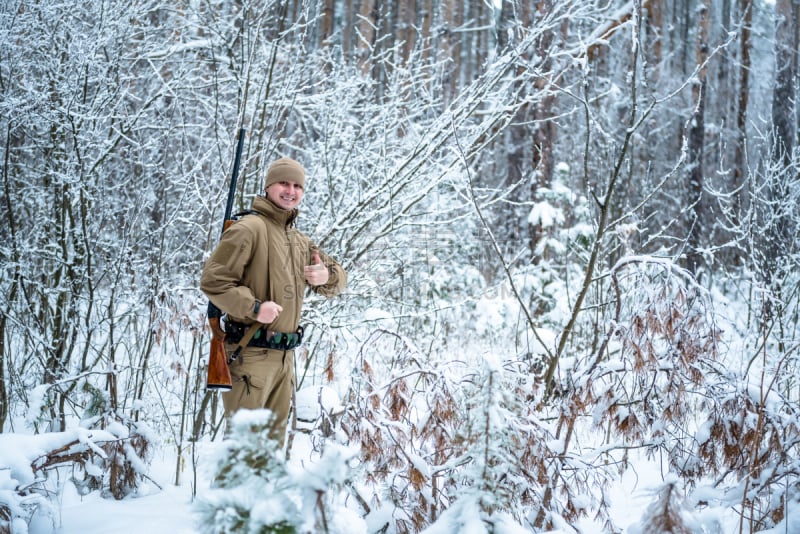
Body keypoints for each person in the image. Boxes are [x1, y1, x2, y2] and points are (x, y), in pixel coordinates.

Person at [200, 156, 346, 444]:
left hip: (284, 360)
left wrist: (325, 276)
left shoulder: (299, 240)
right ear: (268, 186)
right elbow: (213, 281)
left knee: (269, 458)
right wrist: (254, 308)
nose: (290, 190)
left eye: (297, 185)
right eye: (283, 183)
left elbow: (340, 279)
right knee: (243, 457)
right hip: (250, 357)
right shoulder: (249, 229)